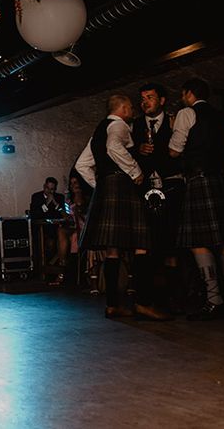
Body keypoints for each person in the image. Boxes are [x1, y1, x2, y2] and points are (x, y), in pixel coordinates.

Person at [77, 94, 173, 321]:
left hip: (108, 188)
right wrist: (135, 172)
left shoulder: (99, 130)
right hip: (124, 186)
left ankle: (112, 305)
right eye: (130, 106)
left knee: (113, 250)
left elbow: (82, 165)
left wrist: (101, 185)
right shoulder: (118, 125)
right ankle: (143, 304)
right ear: (122, 108)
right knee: (142, 245)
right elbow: (114, 147)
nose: (133, 109)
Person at [168, 78, 224, 320]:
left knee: (198, 242)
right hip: (222, 183)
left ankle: (214, 301)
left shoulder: (186, 113)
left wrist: (173, 130)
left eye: (183, 94)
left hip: (198, 181)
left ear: (189, 94)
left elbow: (174, 151)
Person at [131, 83, 185, 312]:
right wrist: (138, 150)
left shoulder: (175, 122)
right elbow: (126, 153)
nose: (145, 102)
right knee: (146, 243)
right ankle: (146, 298)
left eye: (150, 97)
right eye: (143, 98)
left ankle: (171, 298)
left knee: (171, 243)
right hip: (145, 190)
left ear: (162, 100)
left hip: (171, 188)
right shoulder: (134, 126)